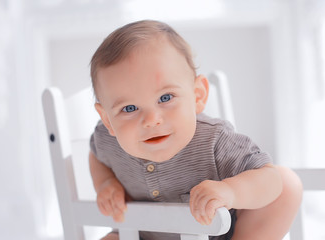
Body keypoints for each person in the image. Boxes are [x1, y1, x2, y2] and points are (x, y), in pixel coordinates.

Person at [89, 20, 302, 240]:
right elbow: (96, 156)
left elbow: (270, 180)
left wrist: (231, 191)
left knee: (287, 183)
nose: (151, 120)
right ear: (107, 119)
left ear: (198, 96)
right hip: (140, 234)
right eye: (130, 108)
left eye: (165, 98)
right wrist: (106, 183)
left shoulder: (215, 141)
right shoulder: (107, 139)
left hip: (213, 235)